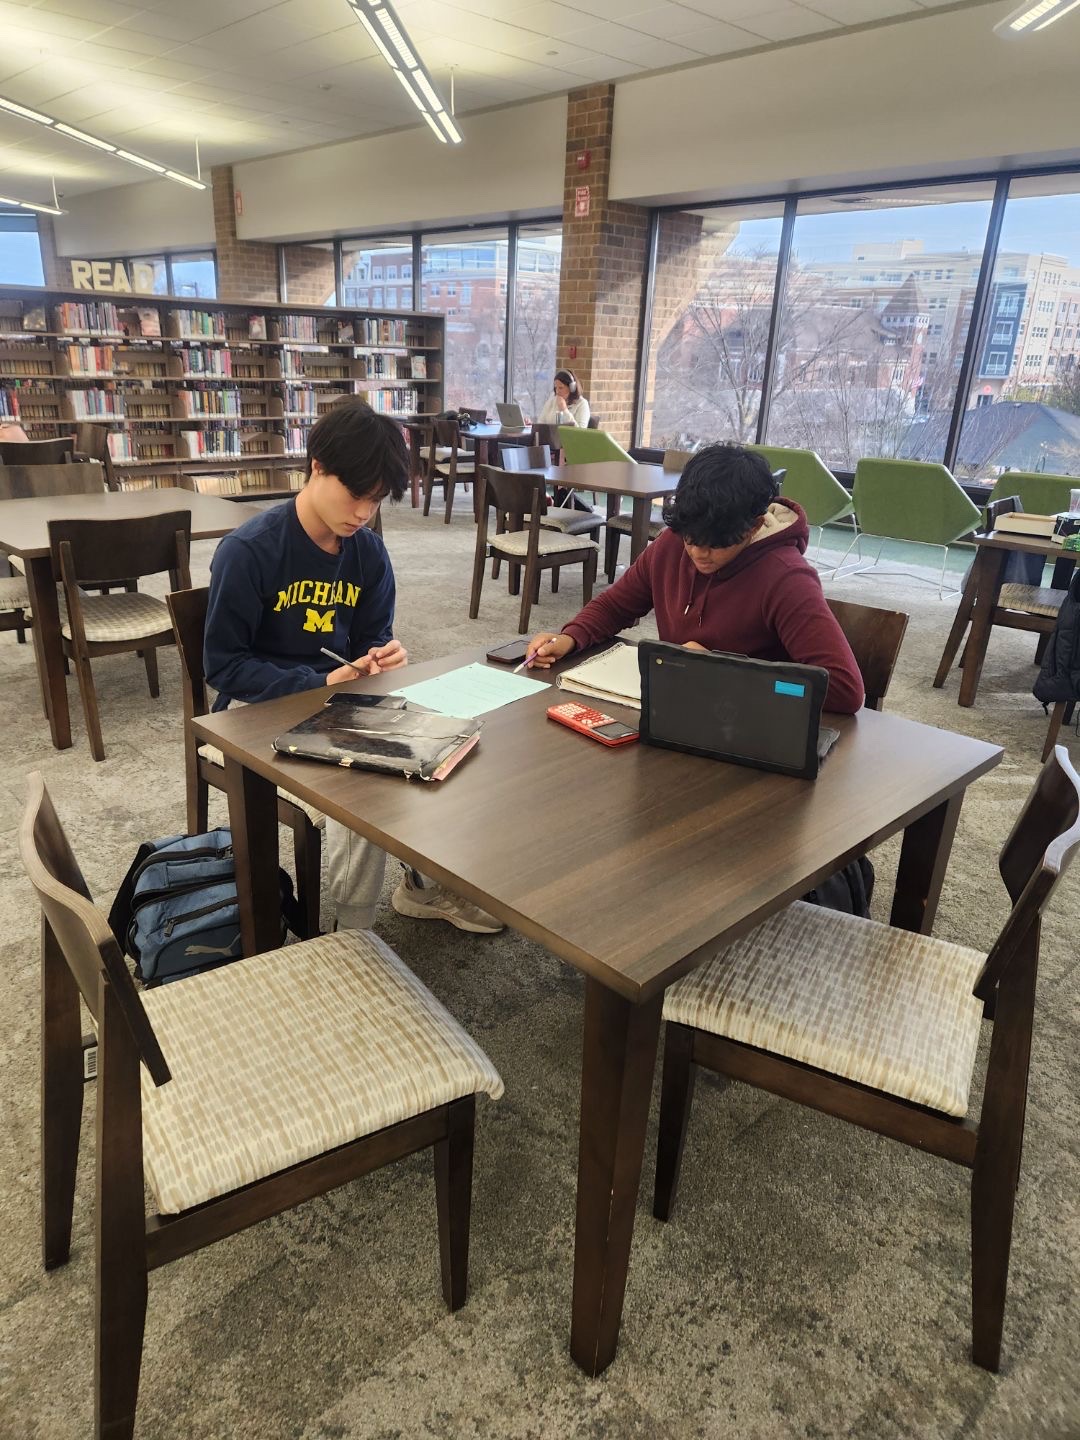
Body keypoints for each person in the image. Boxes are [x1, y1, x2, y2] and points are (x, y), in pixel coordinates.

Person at [205, 397, 503, 934]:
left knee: (440, 745)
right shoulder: (249, 551)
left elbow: (372, 640)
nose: (363, 513)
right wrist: (317, 682)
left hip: (337, 700)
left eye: (376, 500)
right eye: (355, 495)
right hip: (257, 710)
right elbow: (223, 667)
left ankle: (422, 884)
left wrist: (381, 659)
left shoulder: (367, 553)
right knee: (364, 780)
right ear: (317, 466)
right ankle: (353, 932)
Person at [526, 442, 864, 714]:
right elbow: (617, 604)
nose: (699, 554)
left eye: (717, 545)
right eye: (691, 539)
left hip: (747, 724)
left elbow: (844, 690)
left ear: (755, 527)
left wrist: (722, 670)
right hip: (684, 710)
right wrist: (571, 636)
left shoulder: (787, 578)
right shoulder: (672, 544)